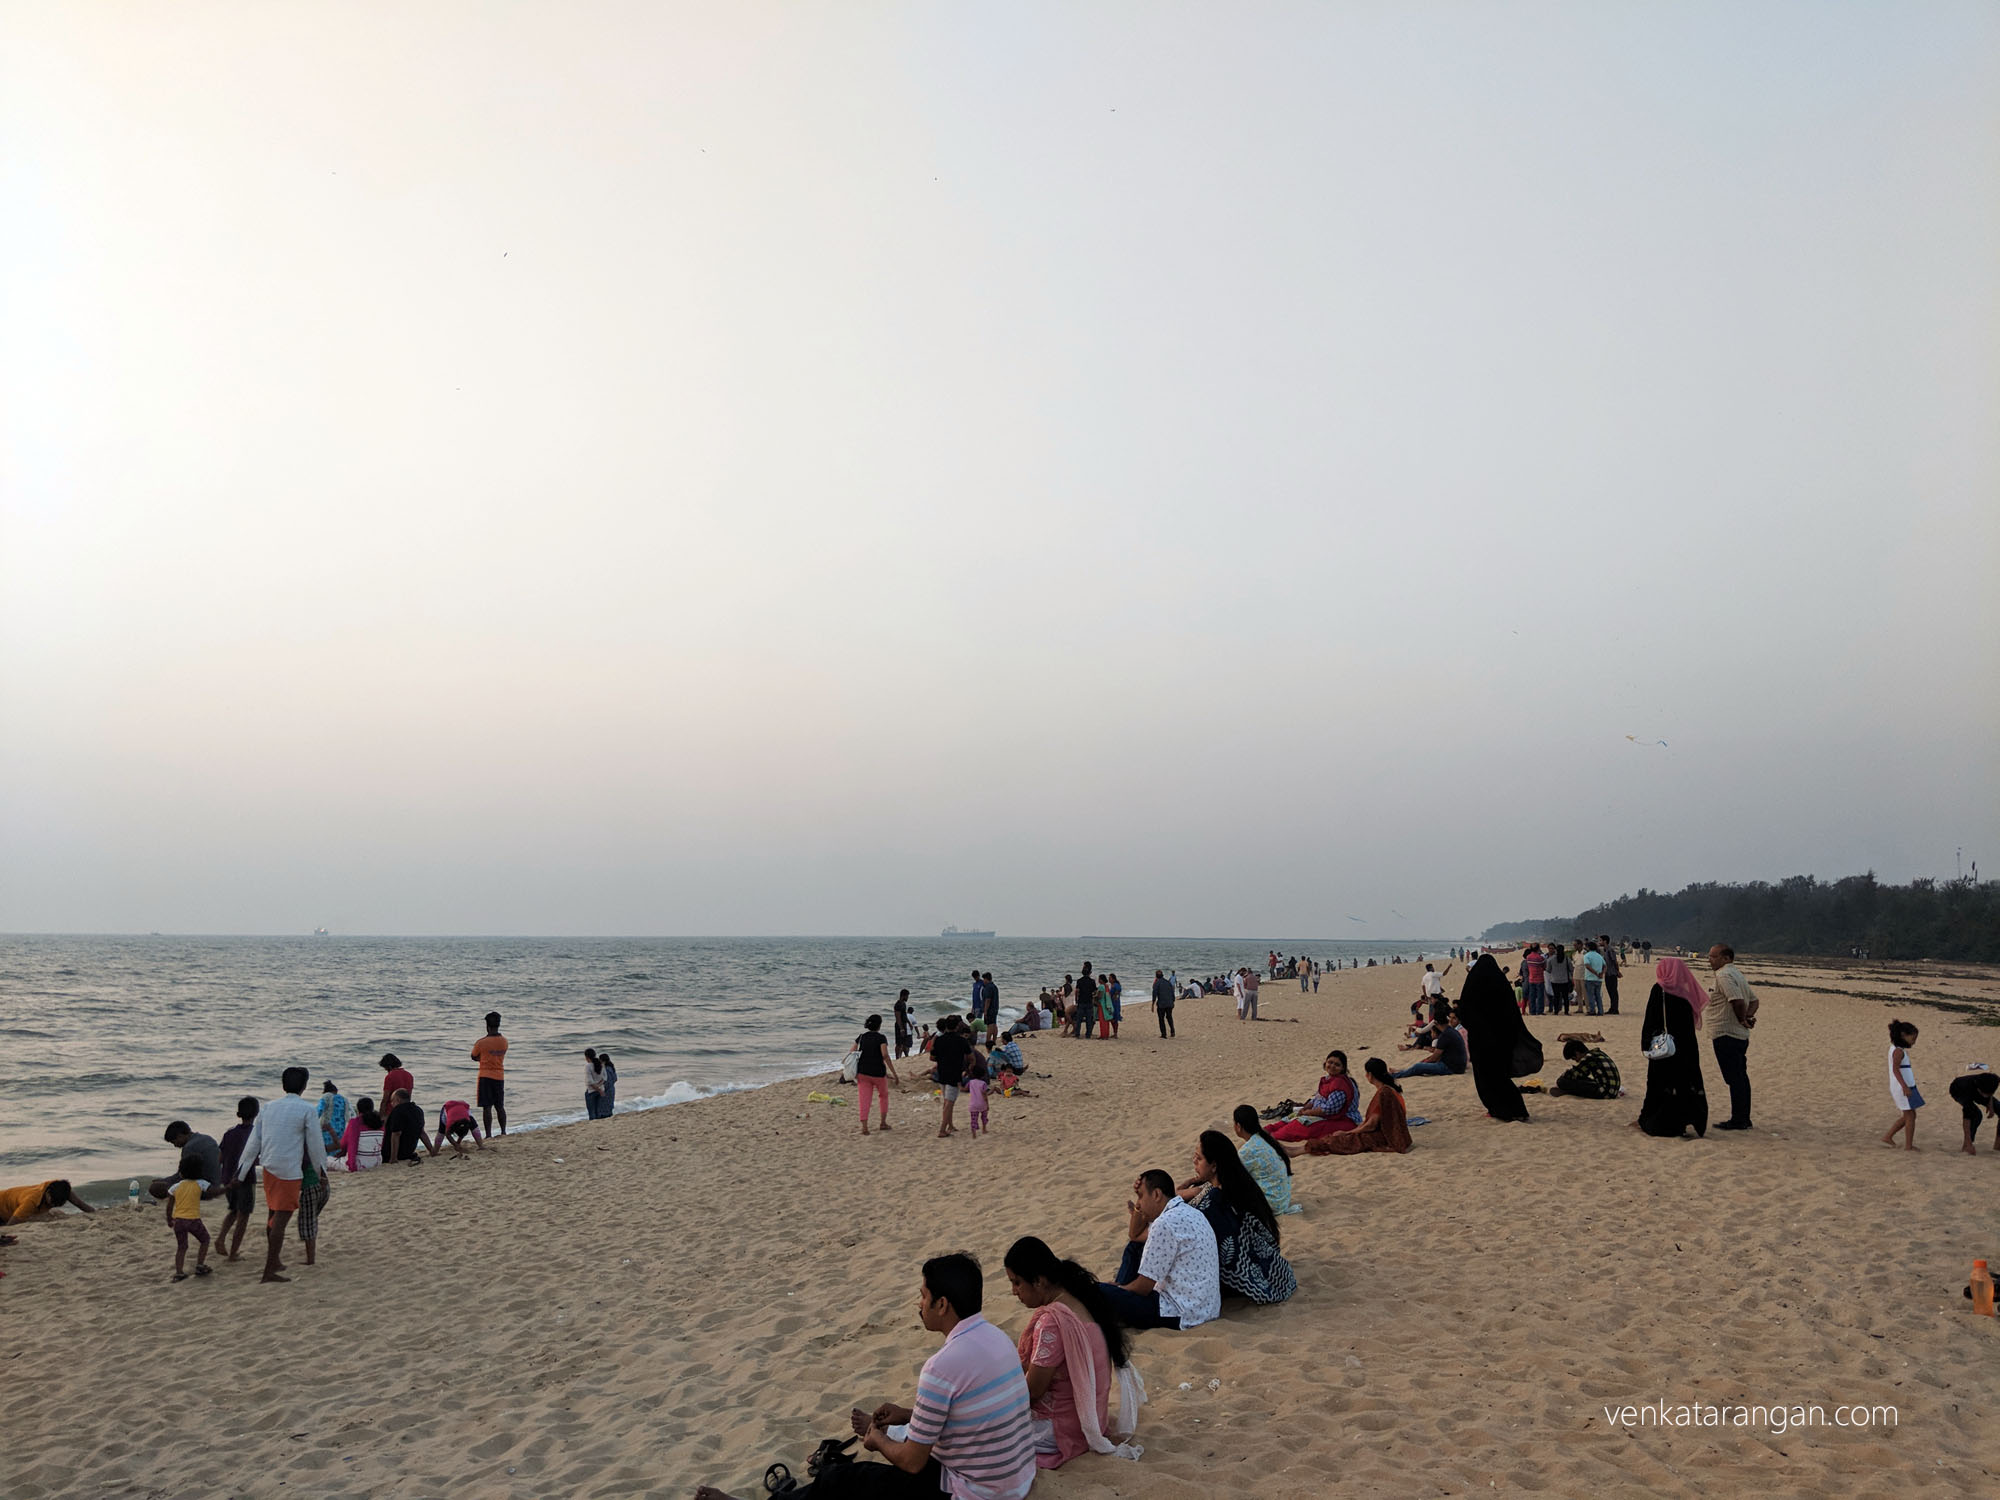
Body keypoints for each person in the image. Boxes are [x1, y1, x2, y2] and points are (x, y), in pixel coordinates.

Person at [696, 1253, 1035, 1500]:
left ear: (942, 1304)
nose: (918, 1304)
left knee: (844, 1480)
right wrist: (905, 1414)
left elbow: (913, 1464)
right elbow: (971, 1413)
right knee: (893, 1446)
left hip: (977, 1491)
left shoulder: (941, 1365)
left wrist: (878, 1442)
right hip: (1014, 1479)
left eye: (923, 1296)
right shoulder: (997, 1338)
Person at [1002, 1235, 1143, 1467]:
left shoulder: (1053, 1321)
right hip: (1091, 1418)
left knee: (983, 1431)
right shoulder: (1080, 1298)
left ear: (1038, 1281)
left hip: (1062, 1429)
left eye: (1017, 1282)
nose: (1014, 1291)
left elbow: (1034, 1391)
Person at [1095, 1169, 1221, 1331]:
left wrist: (1117, 1290)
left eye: (1141, 1196)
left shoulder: (1165, 1223)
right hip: (1203, 1309)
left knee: (1097, 1290)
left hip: (1180, 1312)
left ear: (1156, 1195)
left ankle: (1115, 1301)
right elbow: (1135, 1237)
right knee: (1135, 1247)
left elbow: (1143, 1287)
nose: (1138, 1204)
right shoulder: (1189, 1212)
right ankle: (1117, 1300)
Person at [238, 1066, 331, 1283]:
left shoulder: (268, 1107)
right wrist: (321, 1172)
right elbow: (315, 1145)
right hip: (289, 1171)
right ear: (304, 1086)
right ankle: (269, 1271)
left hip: (269, 1168)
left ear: (283, 1084)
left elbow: (254, 1142)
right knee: (281, 1220)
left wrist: (241, 1172)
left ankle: (275, 1261)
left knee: (273, 1216)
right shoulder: (306, 1109)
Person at [1179, 1131, 1295, 1303]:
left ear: (1214, 1166)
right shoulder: (1235, 1184)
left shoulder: (1216, 1199)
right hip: (1267, 1262)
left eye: (1199, 1158)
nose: (1194, 1162)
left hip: (1241, 1274)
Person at [1636, 959, 1709, 1139]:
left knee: (1660, 1083)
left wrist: (1646, 1043)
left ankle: (1659, 1122)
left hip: (1665, 1047)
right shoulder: (1686, 992)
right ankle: (1687, 1120)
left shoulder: (1659, 989)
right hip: (1685, 1046)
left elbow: (1651, 1018)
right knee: (1684, 1082)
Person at [1456, 954, 1533, 1122]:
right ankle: (1517, 1109)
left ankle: (1497, 1109)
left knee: (1486, 1078)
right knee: (1501, 1076)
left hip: (1481, 1042)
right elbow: (1512, 1015)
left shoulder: (1473, 985)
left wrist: (1477, 1028)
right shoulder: (1502, 985)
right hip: (1503, 1041)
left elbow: (1463, 1012)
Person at [1287, 1058, 1413, 1157]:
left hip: (1384, 1137)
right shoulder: (1389, 1089)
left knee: (1341, 1139)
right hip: (1390, 1134)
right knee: (1341, 1136)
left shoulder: (1384, 1092)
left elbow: (1372, 1125)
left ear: (1369, 1075)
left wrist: (1348, 1132)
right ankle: (1300, 1149)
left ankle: (1299, 1150)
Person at [1705, 943, 1760, 1130]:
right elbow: (1753, 1001)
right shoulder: (1736, 973)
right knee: (1740, 1077)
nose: (1710, 960)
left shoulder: (1724, 975)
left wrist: (1743, 1019)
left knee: (1735, 1078)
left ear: (1726, 958)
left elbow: (1737, 1001)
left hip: (1727, 1032)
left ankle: (1740, 1119)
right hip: (1736, 1034)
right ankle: (1742, 1117)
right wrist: (1748, 1017)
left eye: (1714, 956)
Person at [1267, 1052, 1362, 1140]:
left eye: (1337, 1065)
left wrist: (1309, 1112)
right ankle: (1269, 1130)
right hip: (1323, 1115)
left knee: (1301, 1125)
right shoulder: (1328, 1079)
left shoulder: (1340, 1085)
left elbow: (1330, 1109)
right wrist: (1304, 1109)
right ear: (1325, 1063)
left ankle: (1274, 1136)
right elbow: (1317, 1099)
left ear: (1343, 1068)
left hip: (1343, 1120)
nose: (1332, 1066)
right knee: (1292, 1117)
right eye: (1330, 1062)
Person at [1230, 1104, 1298, 1215]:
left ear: (1238, 1126)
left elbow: (1234, 1178)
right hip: (1282, 1201)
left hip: (1272, 1205)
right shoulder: (1265, 1139)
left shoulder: (1247, 1150)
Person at [216, 1095, 260, 1261]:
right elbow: (254, 1159)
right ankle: (234, 1253)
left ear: (238, 1114)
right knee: (244, 1215)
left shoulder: (229, 1134)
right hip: (245, 1179)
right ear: (256, 1113)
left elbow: (220, 1158)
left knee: (233, 1210)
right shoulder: (255, 1134)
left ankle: (221, 1238)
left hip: (227, 1177)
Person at [162, 1152, 215, 1281]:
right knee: (205, 1240)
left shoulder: (175, 1186)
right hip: (193, 1220)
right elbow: (212, 1191)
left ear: (181, 1172)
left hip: (178, 1221)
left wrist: (169, 1219)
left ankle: (179, 1272)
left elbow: (169, 1206)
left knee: (182, 1247)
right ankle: (200, 1265)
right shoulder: (202, 1183)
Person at [149, 1120, 222, 1202]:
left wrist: (163, 1181)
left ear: (180, 1136)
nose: (175, 1145)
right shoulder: (208, 1138)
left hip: (204, 1191)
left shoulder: (189, 1147)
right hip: (216, 1186)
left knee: (154, 1188)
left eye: (174, 1142)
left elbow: (182, 1175)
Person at [855, 1013, 899, 1136]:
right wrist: (894, 1073)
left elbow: (852, 1052)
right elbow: (884, 1054)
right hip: (878, 1073)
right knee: (883, 1096)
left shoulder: (861, 1037)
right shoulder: (881, 1038)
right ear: (879, 1025)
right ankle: (883, 1123)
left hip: (862, 1072)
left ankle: (864, 1127)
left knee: (864, 1099)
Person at [1882, 1020, 1923, 1150]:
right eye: (1913, 1038)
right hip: (1902, 1087)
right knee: (1910, 1115)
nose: (1914, 1041)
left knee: (1909, 1115)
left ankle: (1888, 1137)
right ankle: (1908, 1146)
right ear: (1903, 1035)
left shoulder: (1897, 1049)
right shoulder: (1898, 1051)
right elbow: (1895, 1069)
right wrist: (1904, 1087)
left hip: (1907, 1085)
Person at [931, 1016, 973, 1138]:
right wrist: (968, 1067)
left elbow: (932, 1057)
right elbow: (971, 1057)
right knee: (949, 1102)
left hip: (942, 1072)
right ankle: (942, 1129)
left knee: (947, 1100)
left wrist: (942, 1057)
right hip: (954, 1073)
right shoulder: (961, 1041)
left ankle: (950, 1125)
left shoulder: (939, 1040)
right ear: (957, 1026)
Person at [1393, 1012, 1467, 1078]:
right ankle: (1401, 1071)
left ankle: (1395, 1075)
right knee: (1422, 1063)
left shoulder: (1445, 1035)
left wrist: (1423, 1063)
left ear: (1435, 1023)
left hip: (1451, 1068)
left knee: (1418, 1066)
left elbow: (1434, 1058)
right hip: (1458, 1066)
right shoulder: (1451, 1031)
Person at [472, 1011, 509, 1137]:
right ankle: (503, 1131)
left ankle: (488, 1134)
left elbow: (474, 1056)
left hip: (485, 1076)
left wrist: (482, 1059)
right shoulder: (504, 1041)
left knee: (487, 1107)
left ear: (487, 1026)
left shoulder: (481, 1042)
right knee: (500, 1106)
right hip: (499, 1076)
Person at [1548, 1040, 1622, 1099]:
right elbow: (1581, 1073)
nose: (1576, 1061)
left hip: (1605, 1092)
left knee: (1561, 1081)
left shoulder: (1588, 1058)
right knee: (1582, 1080)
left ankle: (1570, 1092)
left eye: (1574, 1058)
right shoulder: (1597, 1053)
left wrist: (1563, 1078)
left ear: (1577, 1053)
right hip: (1612, 1090)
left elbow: (1573, 1074)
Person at [1948, 1071, 2000, 1154]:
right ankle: (1967, 1144)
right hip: (1957, 1089)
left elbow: (1990, 1092)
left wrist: (1991, 1106)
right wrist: (1968, 1142)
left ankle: (1998, 1144)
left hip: (1979, 1089)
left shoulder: (1993, 1080)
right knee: (1976, 1115)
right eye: (1984, 1094)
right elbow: (1967, 1117)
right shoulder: (1966, 1089)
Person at [0, 1179, 95, 1223]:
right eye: (52, 1203)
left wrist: (96, 1214)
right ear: (48, 1193)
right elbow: (12, 1223)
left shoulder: (61, 1189)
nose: (53, 1205)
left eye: (57, 1204)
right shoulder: (31, 1201)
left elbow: (79, 1203)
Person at [383, 1088, 435, 1165]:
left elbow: (396, 1134)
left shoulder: (397, 1111)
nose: (391, 1104)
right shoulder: (418, 1110)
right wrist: (432, 1150)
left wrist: (393, 1158)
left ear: (398, 1100)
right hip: (408, 1152)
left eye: (392, 1101)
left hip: (393, 1154)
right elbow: (422, 1133)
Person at [340, 1096, 385, 1172]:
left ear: (358, 1110)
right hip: (377, 1162)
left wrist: (352, 1167)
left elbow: (350, 1146)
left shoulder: (355, 1122)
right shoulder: (379, 1124)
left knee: (328, 1161)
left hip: (360, 1164)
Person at [316, 1081, 349, 1158]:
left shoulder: (326, 1096)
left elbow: (318, 1111)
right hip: (341, 1130)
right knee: (336, 1151)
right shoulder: (344, 1099)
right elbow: (350, 1115)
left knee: (326, 1151)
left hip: (327, 1129)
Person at [1545, 944, 1574, 1016]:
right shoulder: (1567, 959)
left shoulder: (1551, 959)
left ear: (1556, 950)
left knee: (1556, 996)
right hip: (1565, 980)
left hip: (1554, 980)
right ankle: (1566, 1011)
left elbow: (1548, 970)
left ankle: (1556, 1011)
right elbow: (1571, 969)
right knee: (1565, 997)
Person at [1073, 962, 1099, 1040]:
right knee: (1089, 1019)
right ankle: (1088, 1034)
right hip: (1089, 1001)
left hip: (1081, 1001)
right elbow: (1094, 991)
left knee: (1079, 1019)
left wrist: (1076, 1000)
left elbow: (1077, 991)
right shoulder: (1092, 981)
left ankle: (1077, 1033)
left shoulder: (1079, 981)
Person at [1581, 941, 1607, 1016]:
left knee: (1590, 996)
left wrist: (1595, 973)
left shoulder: (1587, 955)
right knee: (1598, 995)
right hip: (1599, 979)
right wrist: (1602, 973)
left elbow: (1587, 966)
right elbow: (1605, 966)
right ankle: (1600, 1011)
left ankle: (1592, 1010)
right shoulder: (1599, 956)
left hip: (1590, 978)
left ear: (1588, 947)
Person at [1599, 934, 1622, 1015]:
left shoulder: (1610, 950)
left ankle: (1615, 1009)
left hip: (1612, 973)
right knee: (1610, 991)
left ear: (1605, 941)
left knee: (1613, 991)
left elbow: (1615, 962)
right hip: (1607, 973)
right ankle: (1612, 1008)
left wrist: (1617, 971)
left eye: (1601, 940)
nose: (1599, 942)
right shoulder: (1605, 950)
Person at [1149, 969, 1176, 1038]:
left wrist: (1152, 1004)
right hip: (1169, 1003)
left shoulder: (1157, 983)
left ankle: (1164, 1034)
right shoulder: (1168, 982)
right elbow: (1172, 993)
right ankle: (1172, 1031)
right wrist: (1173, 1001)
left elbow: (1154, 993)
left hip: (1162, 1004)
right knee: (1169, 1017)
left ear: (1156, 976)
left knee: (1161, 1018)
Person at [1522, 943, 1547, 1016]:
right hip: (1539, 979)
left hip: (1531, 979)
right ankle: (1539, 1011)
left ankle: (1532, 1011)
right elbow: (1544, 967)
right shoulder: (1540, 958)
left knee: (1531, 996)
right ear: (1538, 949)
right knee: (1540, 996)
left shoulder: (1528, 957)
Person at [583, 1049, 607, 1118]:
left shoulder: (588, 1066)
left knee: (591, 1112)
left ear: (586, 1057)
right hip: (601, 1089)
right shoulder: (601, 1064)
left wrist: (598, 1089)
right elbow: (605, 1078)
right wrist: (599, 1088)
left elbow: (590, 1081)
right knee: (598, 1110)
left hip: (591, 1091)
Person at [893, 991, 914, 1059]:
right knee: (899, 1043)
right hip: (899, 1026)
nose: (908, 998)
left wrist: (909, 1023)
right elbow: (898, 1018)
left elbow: (904, 1016)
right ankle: (897, 1057)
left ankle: (906, 1055)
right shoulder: (898, 1004)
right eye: (907, 996)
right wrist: (901, 1028)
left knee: (904, 1042)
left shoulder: (903, 1004)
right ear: (903, 996)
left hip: (904, 1025)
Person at [981, 972, 1001, 1045]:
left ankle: (988, 1041)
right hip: (995, 1008)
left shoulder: (988, 987)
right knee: (994, 1024)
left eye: (984, 979)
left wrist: (985, 1011)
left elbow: (988, 1000)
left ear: (986, 979)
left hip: (990, 1009)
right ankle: (994, 1040)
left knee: (989, 1025)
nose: (983, 981)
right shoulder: (994, 986)